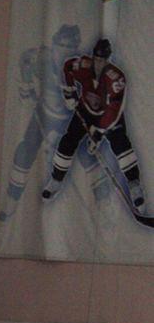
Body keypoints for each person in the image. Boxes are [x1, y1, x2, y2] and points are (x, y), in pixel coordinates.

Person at [0, 25, 110, 221]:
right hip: (44, 113)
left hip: (73, 116)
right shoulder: (38, 59)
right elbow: (25, 62)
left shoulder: (83, 66)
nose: (65, 52)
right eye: (61, 46)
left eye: (70, 47)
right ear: (54, 44)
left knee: (88, 156)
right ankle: (11, 200)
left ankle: (104, 206)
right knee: (24, 152)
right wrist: (27, 91)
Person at [42, 38, 146, 210]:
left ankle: (134, 184)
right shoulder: (83, 65)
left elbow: (114, 110)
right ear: (93, 57)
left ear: (108, 60)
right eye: (96, 59)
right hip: (86, 110)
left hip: (109, 116)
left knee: (122, 145)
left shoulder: (116, 78)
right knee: (68, 141)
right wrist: (69, 91)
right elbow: (67, 66)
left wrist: (98, 133)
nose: (98, 64)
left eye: (102, 60)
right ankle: (56, 179)